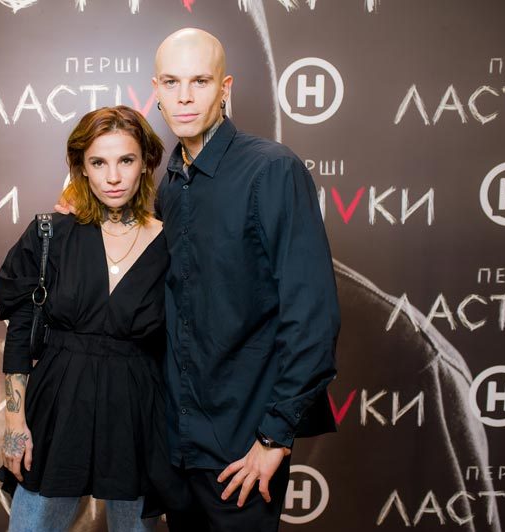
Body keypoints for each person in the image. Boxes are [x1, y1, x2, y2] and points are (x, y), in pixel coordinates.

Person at [149, 28, 340, 531]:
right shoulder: (169, 184)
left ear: (225, 88)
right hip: (177, 448)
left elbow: (312, 315)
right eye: (171, 82)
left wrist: (274, 438)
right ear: (156, 90)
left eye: (200, 81)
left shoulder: (272, 170)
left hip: (242, 448)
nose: (184, 96)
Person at [0, 105, 188, 532]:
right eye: (98, 162)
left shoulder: (172, 243)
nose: (113, 177)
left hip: (138, 411)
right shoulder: (51, 233)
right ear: (81, 167)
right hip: (59, 402)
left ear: (146, 163)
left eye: (126, 160)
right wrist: (14, 423)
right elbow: (21, 331)